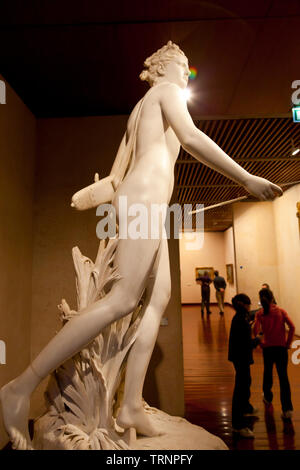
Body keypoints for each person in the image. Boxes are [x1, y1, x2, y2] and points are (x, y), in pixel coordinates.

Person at [0, 41, 283, 450]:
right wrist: (245, 178)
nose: (187, 73)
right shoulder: (166, 92)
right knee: (122, 299)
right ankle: (20, 386)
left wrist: (88, 195)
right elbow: (190, 136)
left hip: (138, 199)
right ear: (166, 68)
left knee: (158, 297)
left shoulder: (139, 110)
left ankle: (130, 403)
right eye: (184, 66)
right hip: (145, 201)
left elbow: (115, 179)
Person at [254, 288, 295, 420]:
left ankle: (267, 397)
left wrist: (261, 344)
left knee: (267, 373)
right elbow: (292, 327)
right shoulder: (281, 311)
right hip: (281, 348)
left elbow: (255, 330)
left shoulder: (260, 313)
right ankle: (287, 409)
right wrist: (288, 343)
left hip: (268, 349)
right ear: (273, 297)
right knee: (284, 378)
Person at [228, 294, 262, 438]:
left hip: (239, 357)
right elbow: (246, 343)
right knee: (240, 389)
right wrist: (257, 340)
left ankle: (246, 407)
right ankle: (238, 425)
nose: (249, 307)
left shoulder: (241, 318)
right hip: (240, 357)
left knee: (246, 382)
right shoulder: (240, 320)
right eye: (248, 305)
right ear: (243, 305)